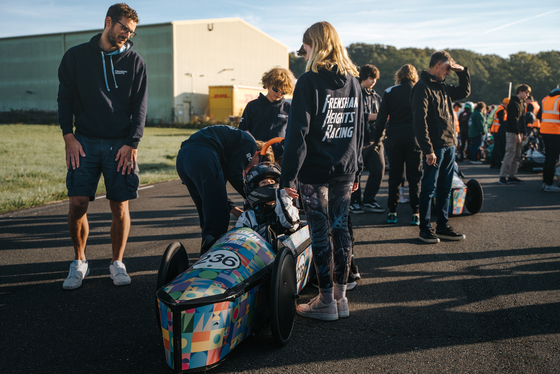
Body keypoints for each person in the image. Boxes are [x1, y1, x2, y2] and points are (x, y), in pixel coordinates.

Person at [57, 3, 148, 290]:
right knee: (78, 202)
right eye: (123, 27)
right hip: (83, 141)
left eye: (131, 31)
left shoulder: (135, 62)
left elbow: (140, 107)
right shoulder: (75, 57)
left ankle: (117, 262)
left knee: (119, 206)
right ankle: (79, 261)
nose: (126, 34)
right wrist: (67, 136)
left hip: (120, 144)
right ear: (108, 21)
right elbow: (64, 99)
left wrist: (132, 143)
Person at [281, 21, 364, 321]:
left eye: (304, 47)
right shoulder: (354, 81)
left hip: (315, 171)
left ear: (314, 44)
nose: (303, 54)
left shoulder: (308, 81)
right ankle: (341, 299)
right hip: (345, 168)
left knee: (320, 232)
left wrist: (286, 178)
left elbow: (297, 134)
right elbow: (359, 129)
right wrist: (357, 169)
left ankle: (326, 300)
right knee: (341, 230)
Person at [411, 50, 470, 244]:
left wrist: (462, 70)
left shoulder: (442, 86)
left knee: (445, 188)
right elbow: (419, 122)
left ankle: (443, 226)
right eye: (446, 68)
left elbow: (464, 92)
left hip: (449, 144)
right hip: (435, 147)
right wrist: (428, 149)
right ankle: (425, 229)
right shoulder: (422, 87)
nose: (448, 72)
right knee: (429, 188)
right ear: (437, 65)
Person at [176, 125, 260, 254]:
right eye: (254, 167)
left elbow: (218, 193)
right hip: (203, 154)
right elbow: (234, 173)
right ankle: (213, 255)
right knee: (218, 215)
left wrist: (233, 208)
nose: (248, 171)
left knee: (208, 210)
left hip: (183, 158)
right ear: (257, 154)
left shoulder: (230, 147)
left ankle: (206, 252)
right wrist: (253, 197)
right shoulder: (250, 143)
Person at [372, 64, 422, 225]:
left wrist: (377, 139)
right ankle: (416, 212)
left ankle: (392, 211)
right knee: (415, 176)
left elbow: (381, 118)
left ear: (399, 75)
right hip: (415, 138)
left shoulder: (390, 91)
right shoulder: (420, 90)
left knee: (395, 176)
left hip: (394, 138)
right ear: (414, 76)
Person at [239, 67, 295, 163]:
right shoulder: (253, 106)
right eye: (276, 89)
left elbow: (294, 133)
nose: (279, 94)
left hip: (281, 158)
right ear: (268, 84)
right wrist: (254, 146)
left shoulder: (289, 108)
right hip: (257, 156)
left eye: (283, 92)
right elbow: (243, 131)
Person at [349, 64, 385, 215]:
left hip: (375, 140)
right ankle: (354, 202)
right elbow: (355, 114)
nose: (373, 81)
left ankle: (369, 200)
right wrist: (378, 117)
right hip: (357, 140)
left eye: (375, 79)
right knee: (355, 172)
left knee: (379, 169)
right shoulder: (353, 93)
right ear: (363, 76)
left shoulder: (377, 97)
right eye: (371, 78)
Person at [236, 162, 300, 236]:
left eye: (272, 181)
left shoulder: (291, 209)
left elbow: (289, 224)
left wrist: (282, 196)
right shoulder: (249, 216)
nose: (269, 183)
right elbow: (239, 237)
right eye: (263, 182)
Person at [499, 84, 531, 185]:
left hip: (519, 132)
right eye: (526, 93)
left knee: (517, 155)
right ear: (520, 91)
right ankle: (503, 176)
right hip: (512, 132)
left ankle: (512, 175)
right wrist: (517, 133)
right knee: (510, 153)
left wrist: (523, 133)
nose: (527, 95)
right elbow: (513, 119)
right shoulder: (512, 103)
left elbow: (522, 119)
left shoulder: (522, 103)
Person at [537, 87, 560, 192]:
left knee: (548, 158)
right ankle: (549, 184)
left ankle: (545, 182)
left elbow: (538, 115)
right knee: (553, 159)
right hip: (556, 131)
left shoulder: (545, 98)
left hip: (545, 131)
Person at [489, 98, 508, 169]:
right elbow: (502, 122)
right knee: (498, 148)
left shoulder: (499, 109)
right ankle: (497, 162)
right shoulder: (501, 110)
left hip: (496, 130)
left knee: (496, 148)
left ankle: (494, 163)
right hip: (498, 131)